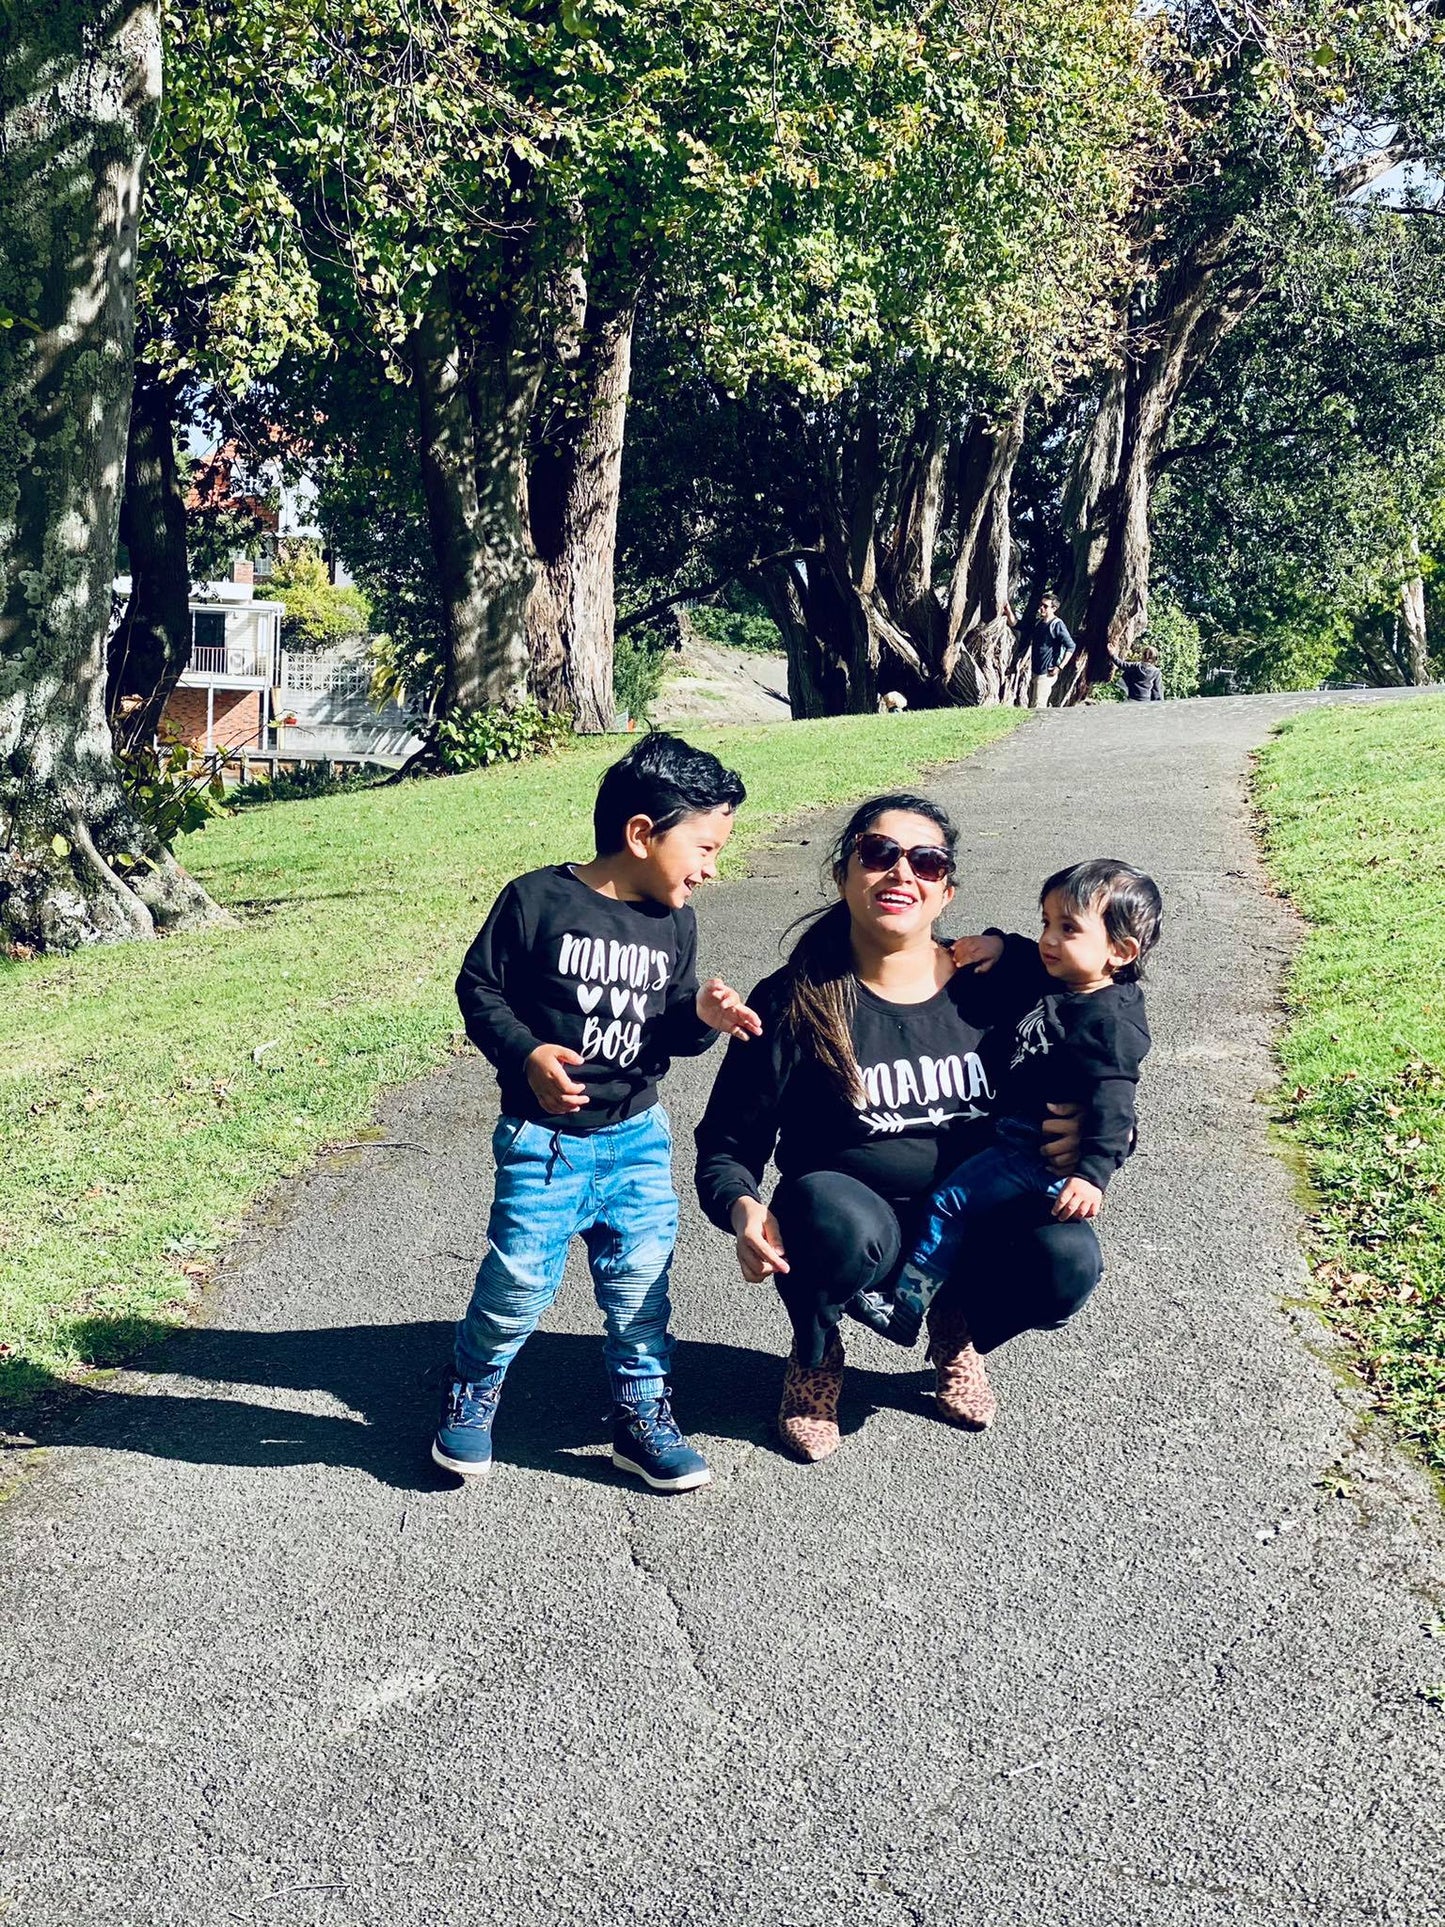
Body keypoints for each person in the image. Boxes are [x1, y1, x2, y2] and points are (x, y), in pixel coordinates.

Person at [693, 793, 1102, 1462]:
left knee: (1067, 1259)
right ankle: (816, 1352)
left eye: (926, 861)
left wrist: (1091, 1137)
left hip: (978, 1222)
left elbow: (1104, 1078)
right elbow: (726, 1146)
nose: (901, 873)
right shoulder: (793, 999)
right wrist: (740, 1209)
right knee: (829, 1217)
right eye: (878, 853)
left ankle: (956, 1323)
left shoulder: (1002, 992)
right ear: (843, 873)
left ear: (946, 891)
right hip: (855, 1225)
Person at [433, 732, 761, 1492]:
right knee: (517, 1281)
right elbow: (478, 989)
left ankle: (641, 1410)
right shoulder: (536, 899)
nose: (712, 869)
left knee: (641, 1281)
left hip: (636, 1137)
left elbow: (672, 1032)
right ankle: (474, 1382)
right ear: (641, 834)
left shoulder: (674, 923)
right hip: (543, 1144)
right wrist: (525, 1055)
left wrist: (704, 1016)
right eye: (704, 848)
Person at [848, 859, 1161, 1347]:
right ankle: (928, 1305)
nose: (1049, 940)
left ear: (1120, 951)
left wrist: (1091, 1173)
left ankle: (909, 1307)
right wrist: (997, 943)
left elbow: (1115, 1103)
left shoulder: (1110, 1021)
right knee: (962, 1209)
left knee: (950, 1205)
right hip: (1015, 1137)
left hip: (1033, 1153)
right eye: (1046, 923)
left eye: (1068, 929)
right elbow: (1026, 956)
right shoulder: (1066, 980)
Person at [1027, 594, 1076, 708]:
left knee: (1038, 708)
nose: (1041, 608)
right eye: (1041, 605)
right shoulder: (1039, 623)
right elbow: (1020, 626)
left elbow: (1071, 646)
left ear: (1054, 608)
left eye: (1045, 606)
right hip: (1034, 671)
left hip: (1046, 673)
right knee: (1032, 706)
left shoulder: (1057, 624)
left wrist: (1059, 667)